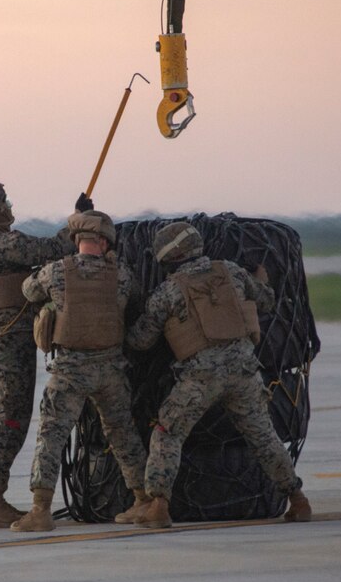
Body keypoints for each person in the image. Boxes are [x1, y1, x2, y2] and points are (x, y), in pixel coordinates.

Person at [124, 221, 312, 528]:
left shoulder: (168, 292)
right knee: (264, 437)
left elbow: (141, 340)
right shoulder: (232, 271)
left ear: (167, 257)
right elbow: (265, 300)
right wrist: (261, 280)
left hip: (200, 378)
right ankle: (298, 500)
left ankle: (158, 505)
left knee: (167, 433)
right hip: (244, 373)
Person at [10, 209, 150, 532]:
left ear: (77, 241)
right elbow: (136, 301)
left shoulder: (57, 272)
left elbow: (28, 290)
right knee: (123, 433)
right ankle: (144, 500)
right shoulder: (122, 274)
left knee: (52, 434)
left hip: (71, 369)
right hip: (111, 369)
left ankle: (40, 510)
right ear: (104, 242)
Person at [0, 181, 81, 528]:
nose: (10, 207)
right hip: (9, 340)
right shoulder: (2, 243)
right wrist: (77, 221)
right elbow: (53, 249)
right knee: (10, 417)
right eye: (3, 203)